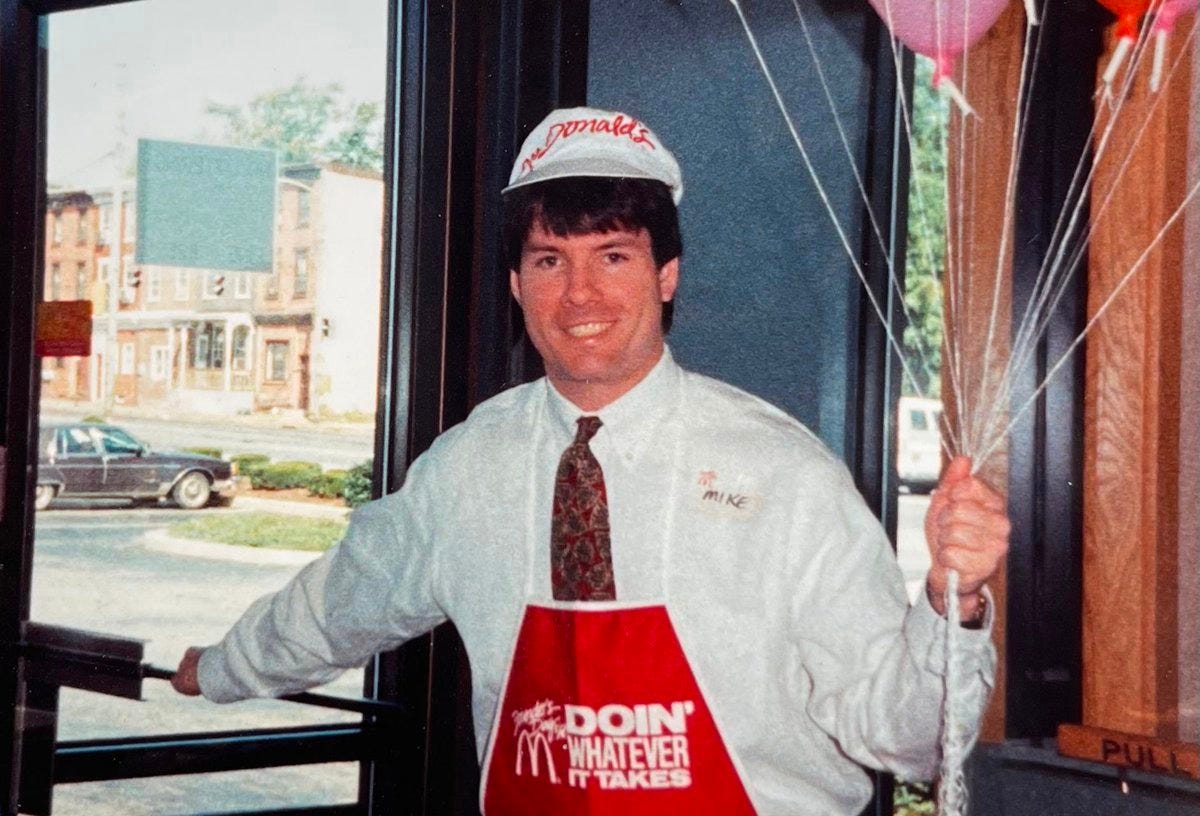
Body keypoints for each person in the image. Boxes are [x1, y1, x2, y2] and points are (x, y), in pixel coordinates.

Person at [173, 107, 1008, 815]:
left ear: (667, 275)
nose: (580, 296)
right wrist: (218, 668)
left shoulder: (784, 473)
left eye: (613, 255)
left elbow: (908, 740)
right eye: (549, 261)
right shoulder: (468, 469)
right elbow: (339, 605)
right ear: (516, 283)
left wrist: (950, 600)